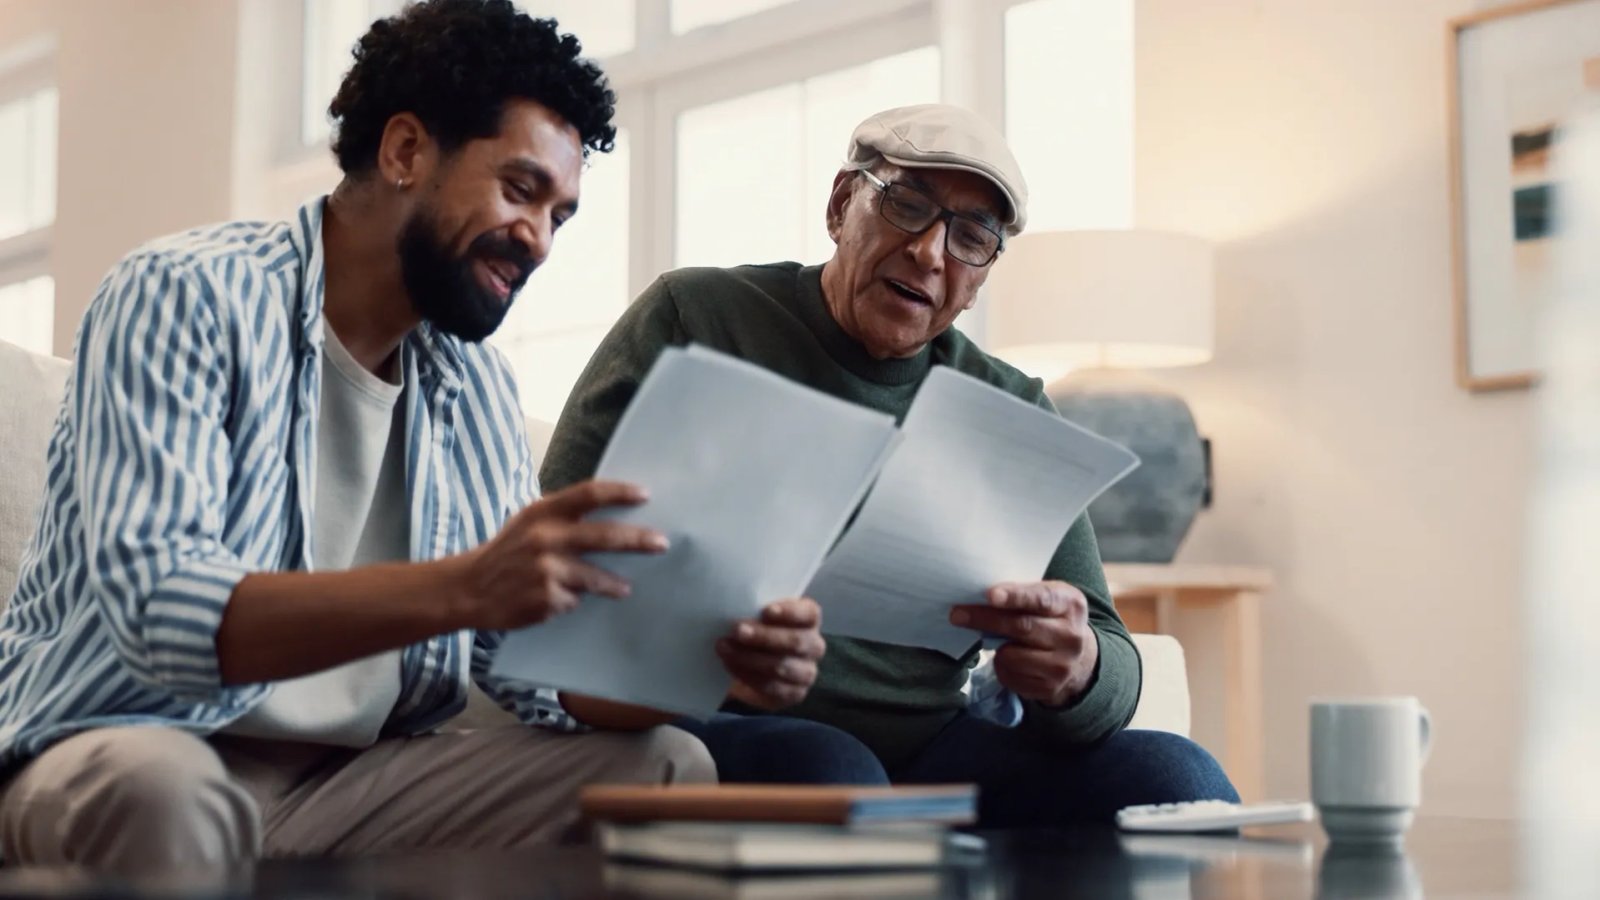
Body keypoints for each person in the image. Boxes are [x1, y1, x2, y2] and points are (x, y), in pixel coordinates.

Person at [0, 0, 826, 875]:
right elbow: (164, 615)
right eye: (520, 190)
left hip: (344, 785)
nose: (539, 241)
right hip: (120, 748)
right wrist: (467, 586)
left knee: (666, 764)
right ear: (404, 152)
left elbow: (534, 679)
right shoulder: (184, 294)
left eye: (560, 216)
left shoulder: (474, 385)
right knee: (166, 792)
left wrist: (705, 663)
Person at [541, 103, 1239, 826]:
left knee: (1179, 777)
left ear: (982, 277)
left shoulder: (1011, 404)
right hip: (718, 716)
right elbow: (548, 554)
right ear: (841, 204)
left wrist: (1078, 666)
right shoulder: (696, 316)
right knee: (836, 771)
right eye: (906, 205)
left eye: (972, 238)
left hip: (933, 745)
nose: (930, 253)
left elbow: (1108, 646)